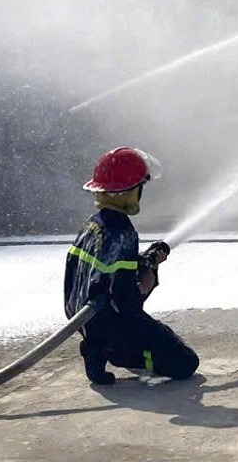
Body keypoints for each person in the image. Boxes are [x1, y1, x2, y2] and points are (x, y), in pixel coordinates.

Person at [63, 146, 199, 385]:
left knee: (130, 329)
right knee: (185, 362)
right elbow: (127, 303)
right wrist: (149, 276)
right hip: (110, 326)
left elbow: (104, 272)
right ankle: (117, 352)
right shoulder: (123, 233)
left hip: (84, 319)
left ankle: (98, 347)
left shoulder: (94, 224)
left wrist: (144, 260)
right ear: (130, 192)